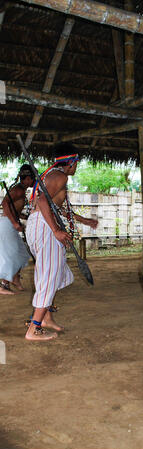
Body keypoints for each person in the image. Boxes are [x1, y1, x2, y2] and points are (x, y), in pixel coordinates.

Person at [25, 143, 98, 342]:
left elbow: (58, 208)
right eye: (77, 163)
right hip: (45, 226)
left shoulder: (52, 175)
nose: (77, 167)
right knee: (49, 274)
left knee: (55, 273)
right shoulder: (59, 176)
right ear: (71, 162)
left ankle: (46, 317)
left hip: (39, 225)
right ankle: (34, 328)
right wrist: (56, 230)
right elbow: (42, 202)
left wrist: (84, 221)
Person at [0, 164, 35, 295]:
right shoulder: (18, 189)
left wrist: (24, 216)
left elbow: (15, 209)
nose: (33, 181)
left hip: (10, 224)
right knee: (13, 254)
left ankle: (15, 279)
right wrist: (15, 223)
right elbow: (4, 203)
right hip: (7, 224)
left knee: (22, 254)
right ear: (26, 179)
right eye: (32, 179)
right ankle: (4, 284)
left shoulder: (21, 190)